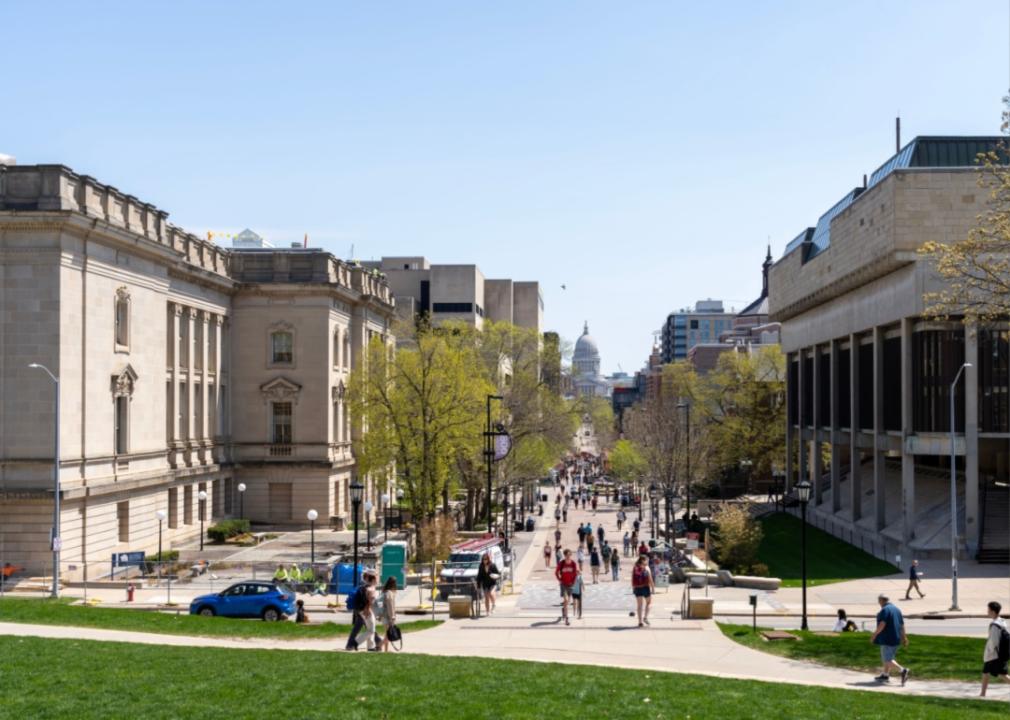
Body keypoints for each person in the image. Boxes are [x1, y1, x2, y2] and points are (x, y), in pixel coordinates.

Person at [871, 593, 909, 685]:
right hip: (896, 638)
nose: (879, 603)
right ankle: (885, 675)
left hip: (887, 638)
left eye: (879, 601)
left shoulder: (884, 610)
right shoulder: (897, 609)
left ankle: (903, 670)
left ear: (881, 600)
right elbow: (901, 625)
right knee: (889, 658)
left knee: (887, 659)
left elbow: (882, 624)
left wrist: (874, 635)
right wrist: (904, 637)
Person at [981, 601, 1010, 696]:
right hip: (1000, 653)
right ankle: (982, 693)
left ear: (993, 611)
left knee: (1001, 674)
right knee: (986, 672)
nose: (987, 612)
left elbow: (993, 642)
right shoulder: (1002, 622)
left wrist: (988, 652)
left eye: (988, 610)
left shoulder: (994, 625)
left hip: (993, 655)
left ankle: (983, 693)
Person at [346, 569, 379, 652]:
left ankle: (371, 647)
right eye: (377, 577)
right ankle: (355, 642)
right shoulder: (372, 589)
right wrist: (367, 610)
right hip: (367, 611)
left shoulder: (365, 587)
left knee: (370, 628)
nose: (378, 579)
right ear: (374, 579)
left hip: (362, 610)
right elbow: (369, 602)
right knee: (371, 630)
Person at [555, 548, 579, 626]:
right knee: (565, 600)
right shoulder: (561, 563)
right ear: (564, 555)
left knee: (567, 602)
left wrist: (574, 582)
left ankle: (563, 610)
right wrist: (559, 580)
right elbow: (556, 572)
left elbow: (575, 574)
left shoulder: (573, 564)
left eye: (569, 555)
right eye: (567, 555)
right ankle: (566, 619)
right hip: (564, 584)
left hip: (570, 585)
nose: (568, 556)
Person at [632, 554, 654, 627]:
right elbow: (650, 579)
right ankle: (645, 617)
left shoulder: (635, 567)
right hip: (645, 587)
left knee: (639, 605)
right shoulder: (647, 567)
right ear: (643, 560)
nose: (648, 561)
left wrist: (633, 588)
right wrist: (653, 588)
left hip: (637, 588)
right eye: (647, 560)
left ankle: (640, 622)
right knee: (649, 602)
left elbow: (632, 578)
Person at [380, 577, 398, 652]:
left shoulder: (385, 592)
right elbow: (390, 607)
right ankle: (378, 646)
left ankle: (386, 650)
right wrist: (392, 617)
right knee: (388, 635)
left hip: (384, 616)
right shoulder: (389, 593)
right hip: (388, 617)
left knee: (387, 634)